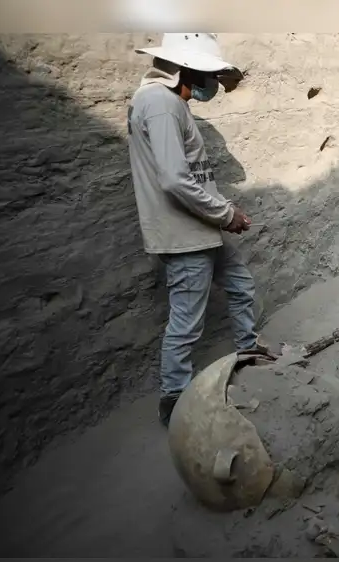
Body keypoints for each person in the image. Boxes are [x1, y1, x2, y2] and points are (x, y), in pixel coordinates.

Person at [127, 33, 264, 427]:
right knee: (186, 322)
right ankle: (175, 402)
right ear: (186, 69)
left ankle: (249, 352)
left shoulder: (168, 103)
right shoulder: (160, 104)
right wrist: (225, 214)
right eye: (209, 75)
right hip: (184, 236)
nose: (212, 84)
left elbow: (190, 175)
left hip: (200, 228)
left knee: (240, 285)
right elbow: (174, 180)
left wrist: (224, 211)